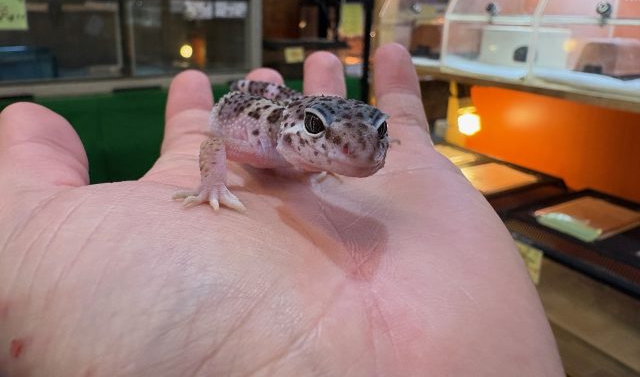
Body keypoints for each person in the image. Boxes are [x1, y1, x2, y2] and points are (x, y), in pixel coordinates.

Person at [0, 43, 564, 376]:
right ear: (296, 129)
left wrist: (330, 152)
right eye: (317, 131)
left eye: (379, 135)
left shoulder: (321, 147)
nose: (365, 155)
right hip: (256, 113)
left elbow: (344, 142)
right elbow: (212, 142)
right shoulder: (259, 142)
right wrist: (212, 185)